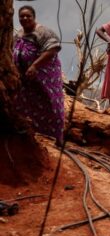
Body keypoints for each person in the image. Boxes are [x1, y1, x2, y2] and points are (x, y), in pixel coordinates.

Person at [13, 5, 65, 145]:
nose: (25, 18)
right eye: (22, 16)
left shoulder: (43, 32)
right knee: (24, 102)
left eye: (28, 16)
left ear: (34, 17)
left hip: (45, 75)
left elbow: (52, 49)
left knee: (52, 102)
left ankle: (58, 136)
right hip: (26, 77)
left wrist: (35, 65)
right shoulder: (19, 33)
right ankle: (28, 132)